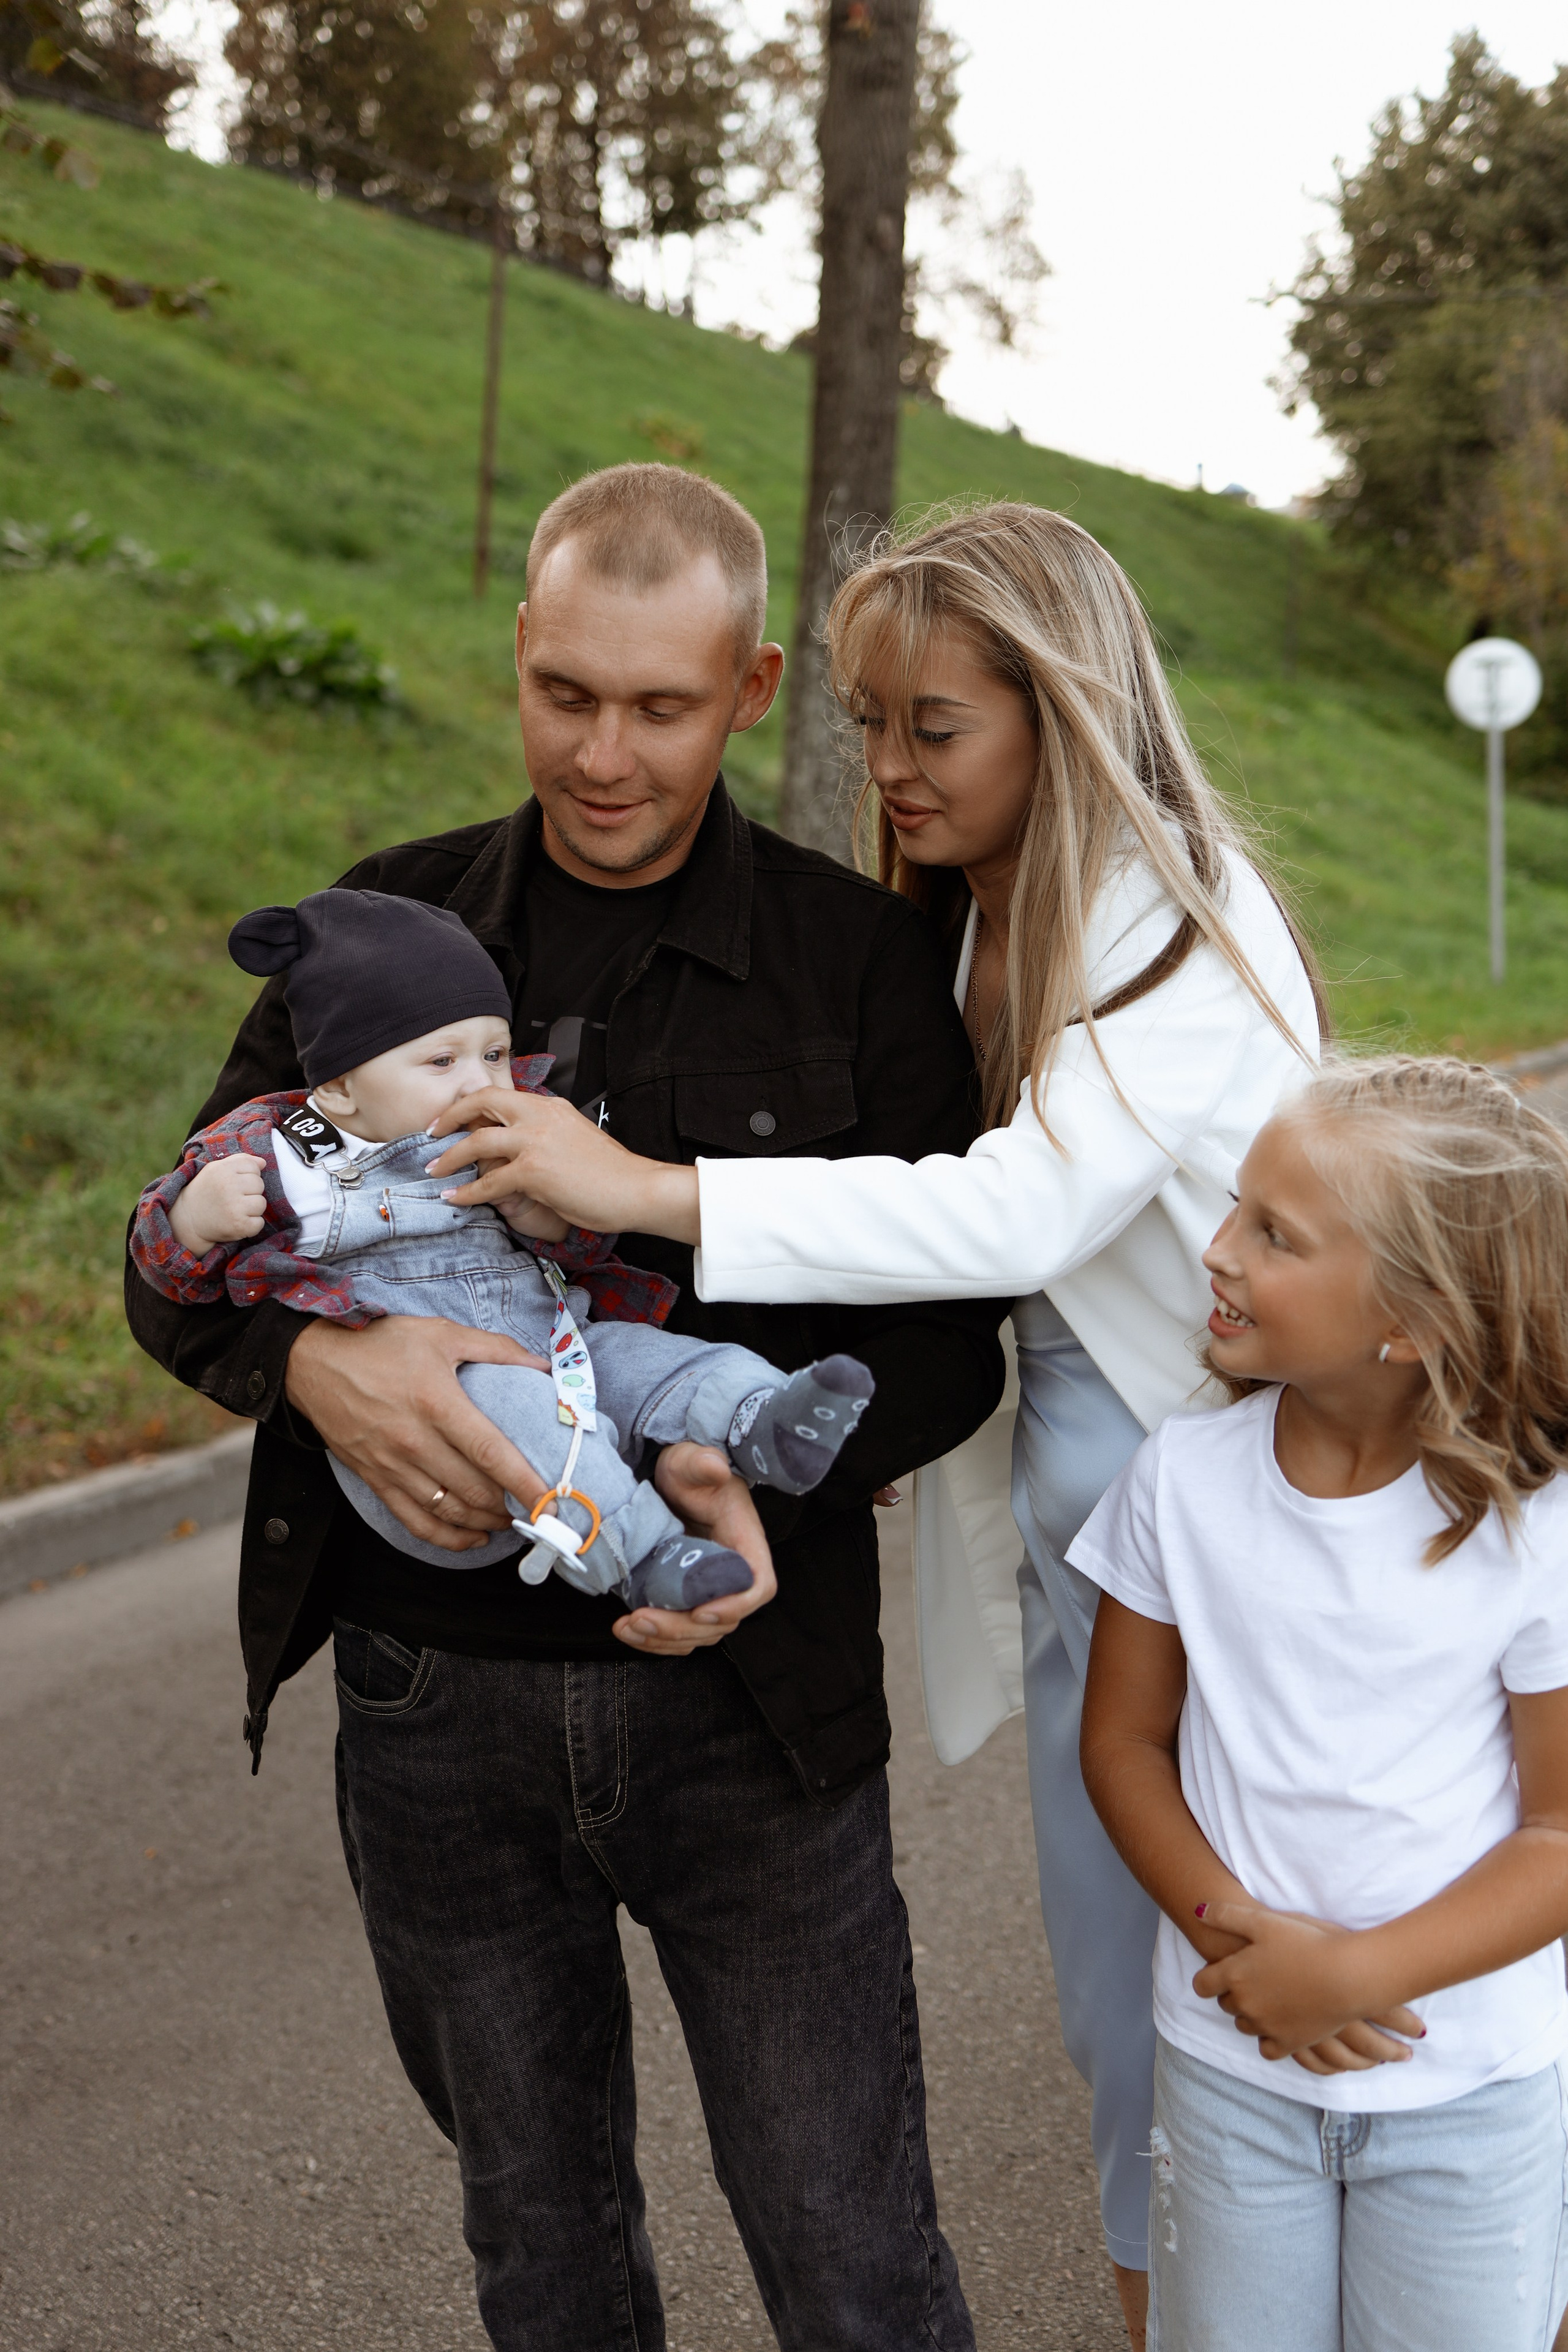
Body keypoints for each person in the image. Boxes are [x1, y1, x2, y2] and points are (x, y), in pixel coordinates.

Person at [419, 499, 1328, 2348]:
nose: (890, 766)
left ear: (1062, 716)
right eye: (868, 719)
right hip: (1107, 1574)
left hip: (1259, 1571)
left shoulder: (1172, 912)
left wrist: (644, 1187)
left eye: (936, 724)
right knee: (1132, 2049)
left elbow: (1010, 1217)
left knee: (1301, 2050)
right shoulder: (983, 909)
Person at [124, 461, 1006, 2352]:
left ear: (752, 689)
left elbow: (954, 1332)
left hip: (755, 1710)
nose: (604, 755)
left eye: (662, 707)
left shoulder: (861, 962)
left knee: (853, 2259)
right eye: (566, 692)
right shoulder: (375, 924)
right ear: (520, 647)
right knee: (544, 2264)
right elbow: (184, 1246)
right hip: (430, 1714)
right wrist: (318, 1368)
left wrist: (765, 1484)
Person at [1075, 1056, 1568, 2350]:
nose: (1216, 1250)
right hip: (1226, 2069)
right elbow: (1121, 1742)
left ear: (1411, 1319)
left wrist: (1350, 1975)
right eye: (1234, 1209)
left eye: (1272, 1234)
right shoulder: (1180, 1478)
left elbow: (1558, 1832)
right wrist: (1233, 1947)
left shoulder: (1538, 1530)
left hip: (1469, 2097)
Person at [130, 885, 876, 1610]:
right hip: (442, 1422)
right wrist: (195, 1217)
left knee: (656, 1356)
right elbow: (165, 1267)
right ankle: (642, 1555)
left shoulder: (511, 1129)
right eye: (442, 1062)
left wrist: (544, 1217)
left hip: (558, 1342)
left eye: (494, 1053)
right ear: (341, 1088)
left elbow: (587, 1249)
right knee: (526, 1407)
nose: (480, 1081)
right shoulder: (274, 1153)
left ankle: (759, 1419)